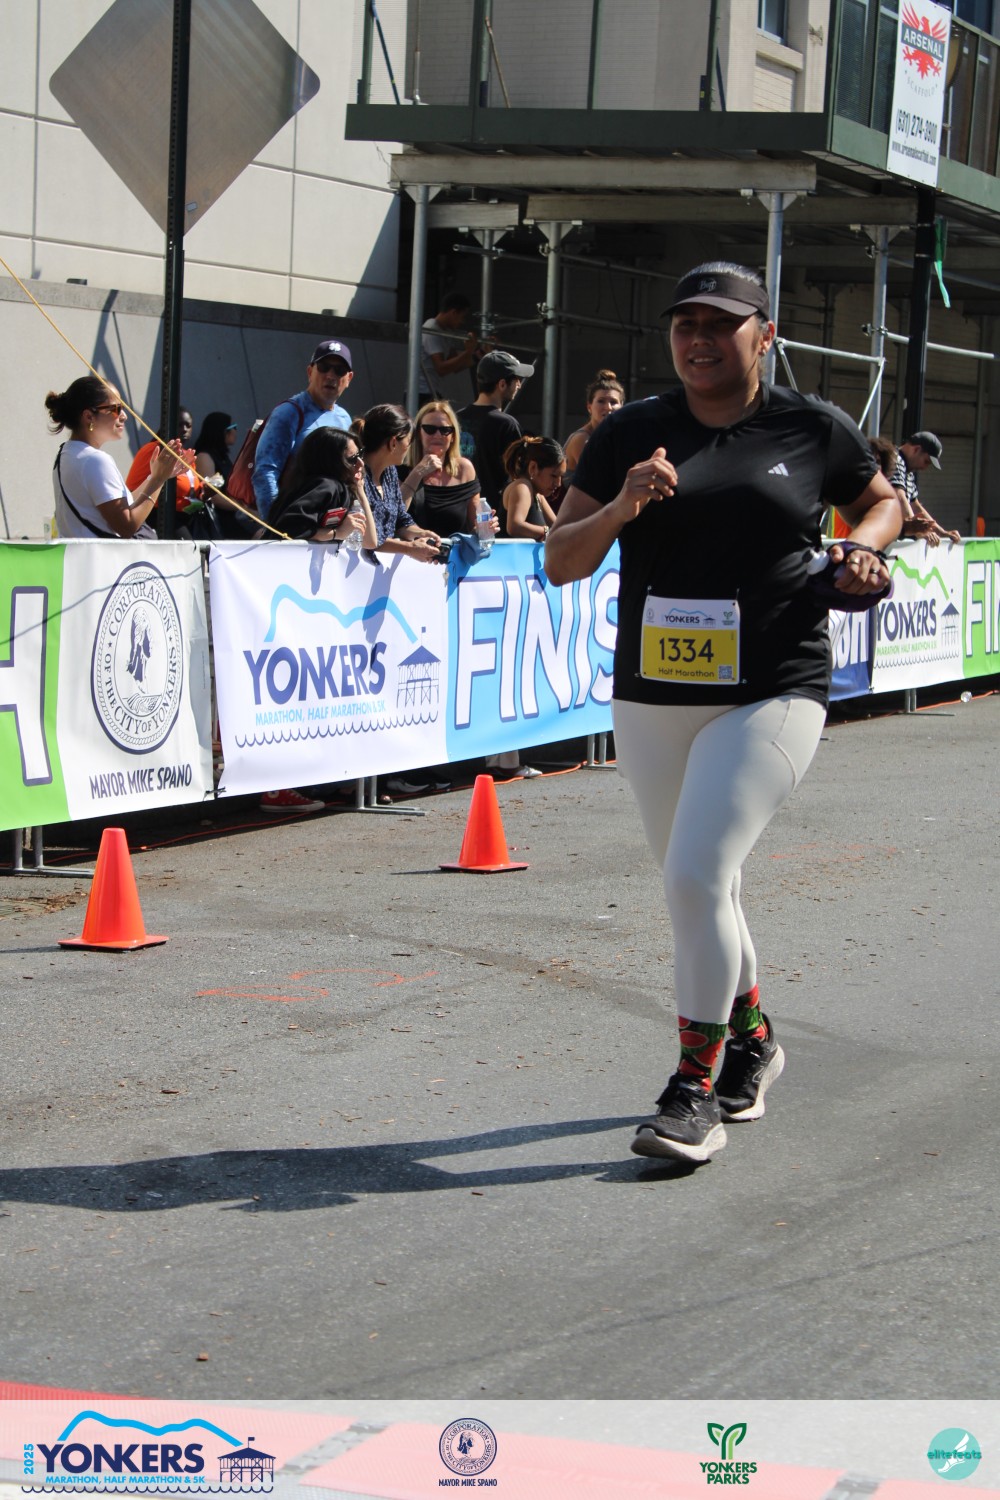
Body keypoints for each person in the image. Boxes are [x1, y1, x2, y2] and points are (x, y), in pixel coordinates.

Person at [545, 260, 901, 1165]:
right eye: (685, 324)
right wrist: (623, 504)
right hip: (653, 693)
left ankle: (692, 1090)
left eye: (721, 323)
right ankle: (754, 1043)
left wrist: (862, 549)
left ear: (764, 335)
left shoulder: (810, 426)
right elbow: (560, 560)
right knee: (701, 885)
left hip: (774, 686)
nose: (699, 339)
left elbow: (881, 502)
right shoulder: (631, 431)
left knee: (698, 874)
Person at [46, 375, 192, 539]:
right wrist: (158, 480)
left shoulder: (66, 453)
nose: (124, 416)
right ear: (89, 416)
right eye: (116, 409)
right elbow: (127, 526)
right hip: (100, 555)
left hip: (80, 554)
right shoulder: (95, 460)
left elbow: (124, 505)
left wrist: (156, 477)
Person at [252, 339, 354, 520]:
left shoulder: (344, 417)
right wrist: (274, 524)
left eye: (339, 371)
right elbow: (265, 472)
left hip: (331, 522)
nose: (330, 375)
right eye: (323, 367)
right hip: (296, 521)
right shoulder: (288, 413)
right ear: (310, 372)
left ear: (349, 378)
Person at [355, 404, 443, 561]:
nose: (409, 447)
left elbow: (400, 519)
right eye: (409, 441)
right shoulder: (356, 475)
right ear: (393, 443)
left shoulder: (389, 472)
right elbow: (369, 538)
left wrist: (421, 534)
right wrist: (409, 548)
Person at [457, 350, 535, 522]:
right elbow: (518, 473)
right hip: (492, 515)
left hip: (458, 511)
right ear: (502, 384)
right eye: (516, 379)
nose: (519, 384)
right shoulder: (506, 424)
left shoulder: (456, 418)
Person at [400, 401, 495, 537]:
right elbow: (394, 515)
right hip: (412, 549)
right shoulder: (401, 470)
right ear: (418, 433)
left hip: (453, 550)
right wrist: (418, 472)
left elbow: (474, 526)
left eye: (445, 430)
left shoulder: (464, 470)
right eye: (430, 429)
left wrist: (485, 527)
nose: (438, 435)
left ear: (453, 436)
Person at [268, 427, 376, 546]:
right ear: (332, 462)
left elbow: (371, 542)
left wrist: (360, 490)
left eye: (360, 454)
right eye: (353, 459)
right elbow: (290, 528)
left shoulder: (307, 483)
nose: (361, 463)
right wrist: (337, 533)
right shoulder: (326, 486)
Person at [125, 406, 203, 524]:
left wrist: (203, 492)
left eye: (188, 425)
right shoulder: (154, 450)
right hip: (155, 517)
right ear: (168, 426)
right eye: (180, 425)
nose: (184, 429)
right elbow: (134, 488)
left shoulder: (186, 454)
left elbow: (191, 489)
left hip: (186, 517)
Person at [890, 431, 960, 546]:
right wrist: (917, 529)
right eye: (926, 461)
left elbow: (915, 506)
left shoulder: (908, 471)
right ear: (916, 449)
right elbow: (900, 497)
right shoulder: (895, 459)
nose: (924, 467)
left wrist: (941, 532)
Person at [420, 292, 484, 408]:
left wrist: (479, 354)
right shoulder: (431, 329)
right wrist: (468, 352)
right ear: (454, 312)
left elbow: (455, 366)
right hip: (421, 392)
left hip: (433, 391)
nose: (462, 322)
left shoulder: (447, 331)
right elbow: (441, 368)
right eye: (462, 317)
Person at [563, 369, 626, 478]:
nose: (608, 407)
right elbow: (598, 479)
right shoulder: (582, 439)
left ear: (622, 407)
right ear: (589, 407)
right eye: (601, 401)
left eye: (613, 402)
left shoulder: (617, 437)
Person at [501, 436, 565, 541]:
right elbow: (514, 526)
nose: (558, 484)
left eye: (561, 477)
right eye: (554, 476)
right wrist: (546, 531)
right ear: (533, 467)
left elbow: (558, 528)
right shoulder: (522, 487)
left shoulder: (538, 495)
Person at [192, 411, 239, 487]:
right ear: (222, 431)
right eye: (233, 427)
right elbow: (209, 491)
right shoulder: (204, 457)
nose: (235, 431)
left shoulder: (223, 457)